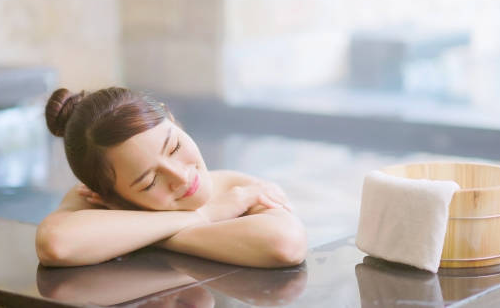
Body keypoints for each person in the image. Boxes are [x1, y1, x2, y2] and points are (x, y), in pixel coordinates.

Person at [36, 87, 307, 268]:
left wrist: (149, 233)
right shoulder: (91, 198)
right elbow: (56, 244)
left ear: (173, 119)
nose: (180, 177)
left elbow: (285, 244)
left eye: (174, 147)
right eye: (149, 182)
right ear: (110, 196)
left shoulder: (238, 188)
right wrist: (205, 214)